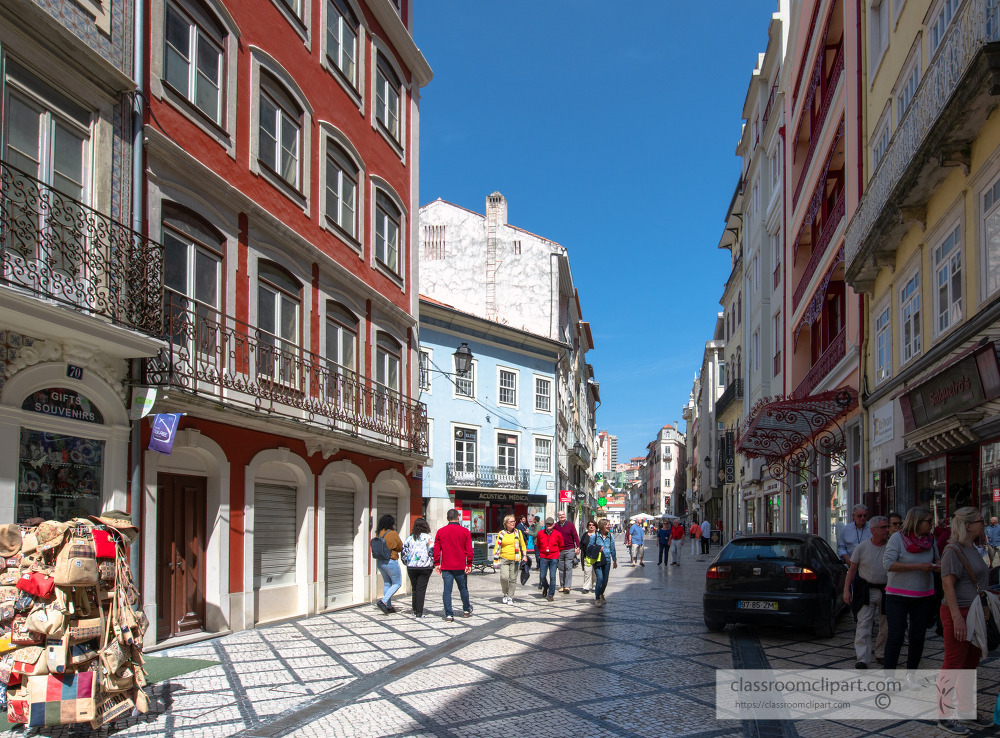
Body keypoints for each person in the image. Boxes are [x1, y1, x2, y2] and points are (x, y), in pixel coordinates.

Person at [936, 507, 992, 735]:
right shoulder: (953, 549)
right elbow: (947, 584)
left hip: (975, 612)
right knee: (953, 663)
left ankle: (967, 711)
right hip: (958, 612)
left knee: (970, 664)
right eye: (980, 521)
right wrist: (957, 618)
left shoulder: (971, 547)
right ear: (968, 525)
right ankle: (944, 715)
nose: (984, 524)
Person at [883, 506, 939, 680]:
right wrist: (918, 567)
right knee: (896, 635)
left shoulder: (930, 539)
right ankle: (889, 677)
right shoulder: (897, 538)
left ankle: (911, 675)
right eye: (929, 521)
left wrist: (939, 566)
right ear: (917, 521)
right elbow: (888, 564)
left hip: (923, 595)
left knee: (918, 636)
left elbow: (937, 558)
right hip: (897, 595)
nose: (932, 524)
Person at [843, 515, 889, 668]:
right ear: (874, 530)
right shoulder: (862, 547)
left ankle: (881, 653)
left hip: (887, 590)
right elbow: (852, 570)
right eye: (883, 527)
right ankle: (862, 657)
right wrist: (846, 591)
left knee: (886, 625)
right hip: (867, 590)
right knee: (864, 624)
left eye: (888, 527)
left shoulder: (891, 546)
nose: (887, 530)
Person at [433, 509, 474, 622]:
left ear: (447, 518)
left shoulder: (441, 532)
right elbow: (469, 550)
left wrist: (437, 563)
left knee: (447, 590)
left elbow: (436, 549)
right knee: (463, 588)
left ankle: (449, 614)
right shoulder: (465, 531)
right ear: (458, 517)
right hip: (460, 566)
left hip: (446, 566)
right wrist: (469, 563)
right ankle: (466, 609)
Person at [401, 518, 434, 618]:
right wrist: (433, 563)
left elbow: (403, 553)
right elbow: (433, 551)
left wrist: (407, 562)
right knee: (421, 589)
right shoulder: (429, 538)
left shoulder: (410, 538)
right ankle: (419, 612)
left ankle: (414, 609)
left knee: (414, 588)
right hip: (424, 567)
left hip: (411, 567)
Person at [492, 514, 527, 605]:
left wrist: (525, 555)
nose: (513, 523)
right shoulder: (501, 533)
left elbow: (523, 545)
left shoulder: (518, 532)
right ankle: (505, 593)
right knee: (504, 577)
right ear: (506, 523)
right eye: (511, 522)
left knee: (512, 579)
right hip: (504, 558)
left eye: (514, 521)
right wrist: (495, 557)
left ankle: (510, 597)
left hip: (515, 559)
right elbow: (497, 546)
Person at [374, 514, 403, 614]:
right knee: (397, 583)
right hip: (390, 561)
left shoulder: (378, 533)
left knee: (387, 583)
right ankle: (383, 601)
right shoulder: (392, 533)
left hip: (380, 562)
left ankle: (389, 607)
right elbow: (400, 547)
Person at [590, 518, 618, 607]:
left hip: (607, 561)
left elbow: (613, 549)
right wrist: (598, 549)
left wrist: (614, 560)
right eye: (607, 525)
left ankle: (601, 594)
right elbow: (589, 547)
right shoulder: (594, 536)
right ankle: (597, 598)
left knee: (605, 581)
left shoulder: (610, 537)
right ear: (602, 526)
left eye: (609, 525)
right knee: (600, 579)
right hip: (597, 561)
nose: (609, 526)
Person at [534, 517, 564, 601]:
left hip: (554, 557)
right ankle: (546, 586)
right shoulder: (540, 533)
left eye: (550, 524)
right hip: (544, 556)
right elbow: (538, 544)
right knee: (542, 575)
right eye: (547, 524)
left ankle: (551, 594)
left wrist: (556, 553)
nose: (548, 525)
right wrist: (542, 552)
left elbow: (561, 546)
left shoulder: (557, 534)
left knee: (552, 576)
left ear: (553, 525)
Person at [554, 510, 581, 594]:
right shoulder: (555, 526)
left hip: (570, 549)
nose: (561, 516)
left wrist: (578, 547)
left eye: (563, 514)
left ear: (565, 515)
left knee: (568, 567)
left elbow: (575, 536)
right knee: (561, 568)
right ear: (558, 517)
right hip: (559, 550)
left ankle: (567, 586)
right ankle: (562, 585)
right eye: (560, 515)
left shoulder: (570, 525)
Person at [580, 519, 597, 593]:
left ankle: (595, 586)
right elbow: (581, 544)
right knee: (587, 572)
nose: (591, 526)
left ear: (596, 527)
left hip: (596, 557)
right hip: (587, 556)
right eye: (590, 525)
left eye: (593, 525)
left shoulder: (598, 535)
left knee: (595, 573)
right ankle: (586, 587)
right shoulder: (585, 534)